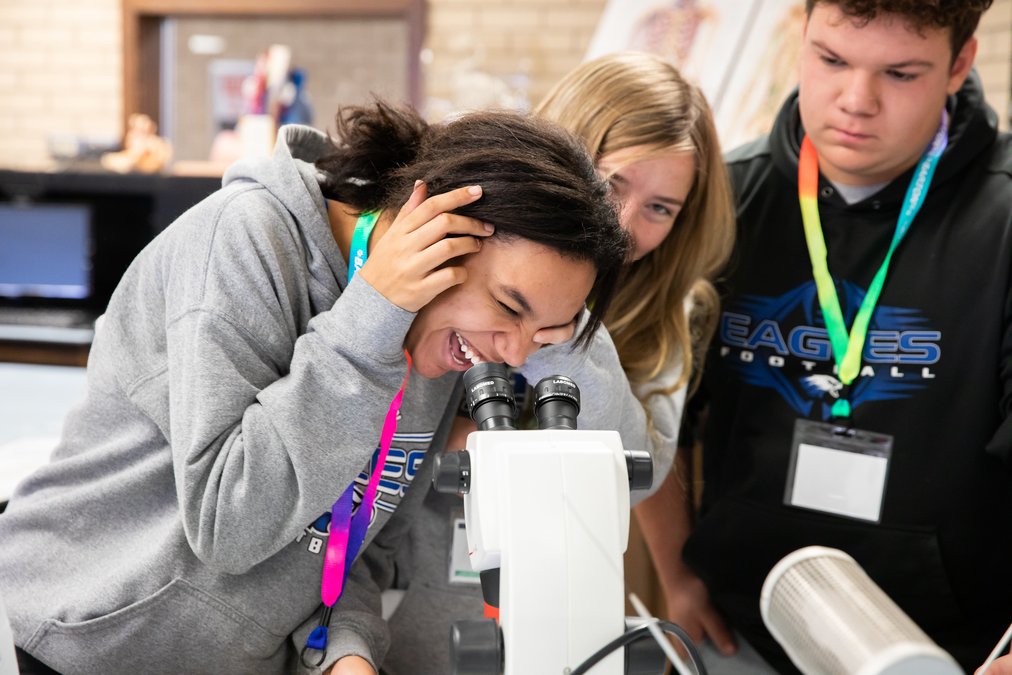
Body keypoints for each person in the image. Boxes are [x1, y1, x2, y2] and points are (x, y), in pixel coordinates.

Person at [0, 101, 648, 675]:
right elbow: (231, 521)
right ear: (432, 227)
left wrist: (348, 650)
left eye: (543, 334)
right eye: (509, 306)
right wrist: (371, 316)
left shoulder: (440, 344)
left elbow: (354, 542)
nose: (507, 351)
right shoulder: (249, 239)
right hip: (80, 646)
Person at [637, 1, 1012, 673]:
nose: (856, 101)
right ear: (798, 38)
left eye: (900, 73)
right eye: (832, 59)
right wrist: (679, 575)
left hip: (952, 647)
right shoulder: (721, 201)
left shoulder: (1004, 218)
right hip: (741, 632)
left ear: (959, 64)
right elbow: (653, 410)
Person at [377, 51, 736, 675]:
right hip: (393, 589)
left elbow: (635, 471)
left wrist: (562, 331)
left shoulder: (673, 311)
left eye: (661, 209)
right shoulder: (468, 247)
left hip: (549, 605)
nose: (623, 227)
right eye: (612, 185)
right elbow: (368, 419)